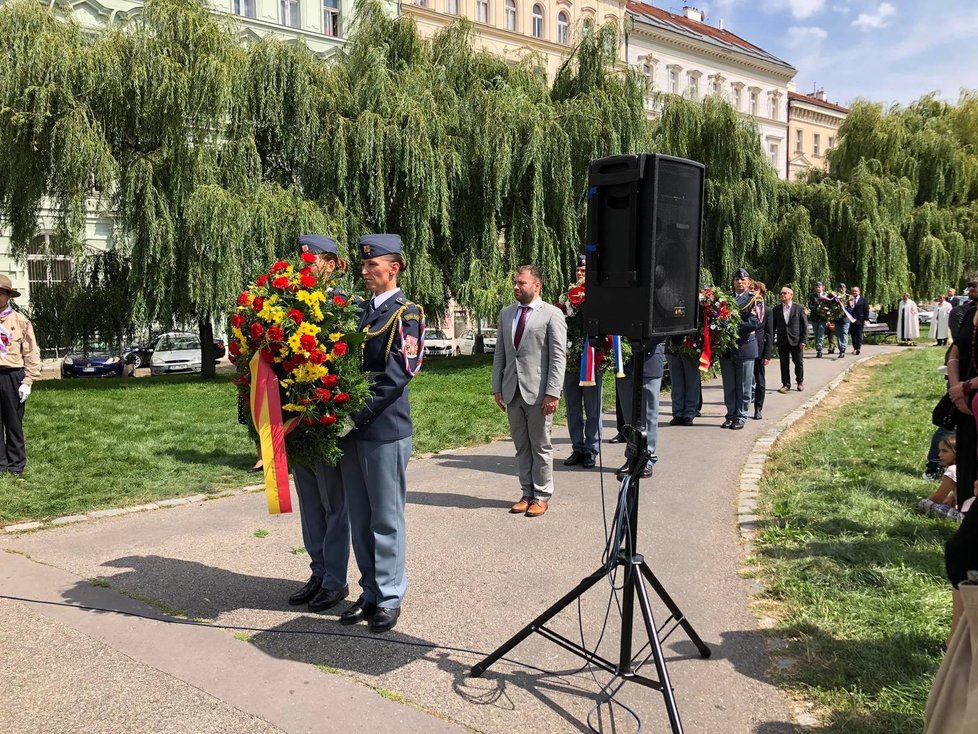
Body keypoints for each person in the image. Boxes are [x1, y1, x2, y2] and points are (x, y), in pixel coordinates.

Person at [338, 234, 424, 634]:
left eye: (374, 265)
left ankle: (390, 596)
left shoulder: (407, 314)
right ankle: (370, 589)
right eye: (364, 264)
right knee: (360, 515)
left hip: (383, 429)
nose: (366, 270)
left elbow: (397, 376)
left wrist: (353, 415)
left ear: (395, 267)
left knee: (386, 518)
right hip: (352, 432)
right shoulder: (359, 313)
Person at [287, 234, 353, 613]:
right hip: (297, 418)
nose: (302, 267)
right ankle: (318, 571)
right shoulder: (289, 304)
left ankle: (335, 580)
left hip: (325, 418)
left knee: (334, 504)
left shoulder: (343, 306)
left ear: (329, 264)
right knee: (310, 504)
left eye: (309, 261)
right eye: (300, 260)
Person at [492, 265, 567, 518]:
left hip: (539, 392)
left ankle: (542, 495)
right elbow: (500, 354)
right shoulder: (506, 314)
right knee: (521, 445)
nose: (516, 286)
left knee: (540, 445)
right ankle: (526, 493)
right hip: (512, 390)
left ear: (537, 285)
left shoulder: (552, 314)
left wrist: (553, 392)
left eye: (521, 283)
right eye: (515, 282)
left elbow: (558, 357)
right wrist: (497, 387)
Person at [562, 256, 601, 470]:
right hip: (571, 358)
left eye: (584, 268)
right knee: (573, 406)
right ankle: (577, 447)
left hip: (592, 358)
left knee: (593, 407)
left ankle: (591, 449)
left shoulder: (598, 294)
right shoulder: (567, 294)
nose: (579, 272)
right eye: (578, 268)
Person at [0, 275, 41, 477]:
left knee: (14, 423)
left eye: (0, 293)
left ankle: (16, 466)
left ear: (8, 296)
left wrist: (28, 381)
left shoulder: (20, 320)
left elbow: (31, 352)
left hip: (13, 375)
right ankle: (0, 465)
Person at [719, 268, 762, 430]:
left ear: (749, 282)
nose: (739, 282)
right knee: (729, 385)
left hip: (745, 347)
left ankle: (741, 416)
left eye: (743, 280)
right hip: (727, 348)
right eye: (737, 279)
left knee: (744, 385)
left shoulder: (755, 300)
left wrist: (731, 328)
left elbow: (754, 322)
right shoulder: (725, 298)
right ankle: (730, 415)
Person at [617, 340, 665, 478]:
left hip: (649, 362)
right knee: (629, 417)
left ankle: (647, 458)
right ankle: (632, 457)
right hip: (624, 364)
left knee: (648, 417)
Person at [773, 286, 807, 393]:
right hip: (782, 340)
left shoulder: (799, 308)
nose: (782, 295)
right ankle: (786, 384)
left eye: (785, 293)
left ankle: (800, 381)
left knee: (798, 362)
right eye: (781, 293)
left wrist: (803, 340)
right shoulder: (776, 309)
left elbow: (804, 325)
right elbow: (773, 326)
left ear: (791, 295)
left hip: (796, 340)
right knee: (784, 363)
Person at [751, 281, 774, 420]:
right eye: (751, 289)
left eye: (755, 289)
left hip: (759, 349)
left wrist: (767, 354)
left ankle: (758, 408)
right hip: (744, 348)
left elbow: (769, 333)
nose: (752, 291)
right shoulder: (744, 307)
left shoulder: (768, 311)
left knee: (759, 380)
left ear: (761, 292)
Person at [666, 340, 701, 427]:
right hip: (672, 347)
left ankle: (689, 414)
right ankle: (677, 413)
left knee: (692, 382)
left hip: (691, 345)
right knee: (676, 383)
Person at [807, 281, 828, 357]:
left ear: (823, 287)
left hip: (823, 318)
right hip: (815, 318)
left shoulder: (826, 295)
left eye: (819, 287)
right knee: (816, 334)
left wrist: (824, 310)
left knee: (820, 334)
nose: (818, 288)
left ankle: (819, 349)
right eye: (816, 287)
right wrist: (818, 309)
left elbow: (829, 306)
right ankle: (818, 348)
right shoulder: (812, 296)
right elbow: (810, 306)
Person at [848, 286, 870, 355]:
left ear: (859, 292)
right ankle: (855, 348)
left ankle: (858, 348)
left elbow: (866, 310)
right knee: (853, 335)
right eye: (853, 291)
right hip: (852, 320)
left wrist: (866, 319)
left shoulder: (863, 300)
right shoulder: (850, 300)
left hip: (860, 319)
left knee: (859, 334)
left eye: (856, 291)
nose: (854, 292)